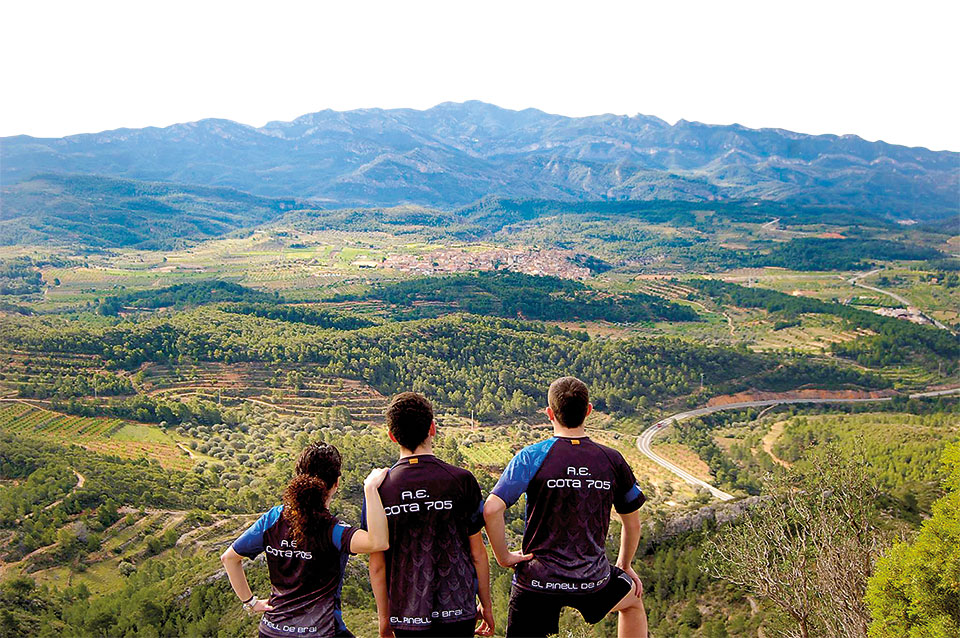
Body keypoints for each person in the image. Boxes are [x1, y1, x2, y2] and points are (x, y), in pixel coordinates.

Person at [484, 376, 648, 638]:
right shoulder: (611, 459)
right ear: (588, 411)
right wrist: (625, 565)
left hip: (537, 581)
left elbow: (492, 509)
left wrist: (504, 557)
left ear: (550, 413)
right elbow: (632, 521)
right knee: (633, 602)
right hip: (594, 580)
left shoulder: (531, 456)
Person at [221, 441, 390, 638]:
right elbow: (378, 542)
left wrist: (250, 602)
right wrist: (370, 489)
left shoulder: (272, 519)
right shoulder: (333, 530)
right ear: (336, 483)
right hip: (322, 631)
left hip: (272, 631)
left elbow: (230, 558)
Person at [367, 392, 494, 637]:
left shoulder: (379, 490)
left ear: (392, 436)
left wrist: (384, 619)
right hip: (459, 611)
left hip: (406, 615)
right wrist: (486, 605)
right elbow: (478, 553)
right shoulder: (462, 480)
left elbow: (378, 566)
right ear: (432, 428)